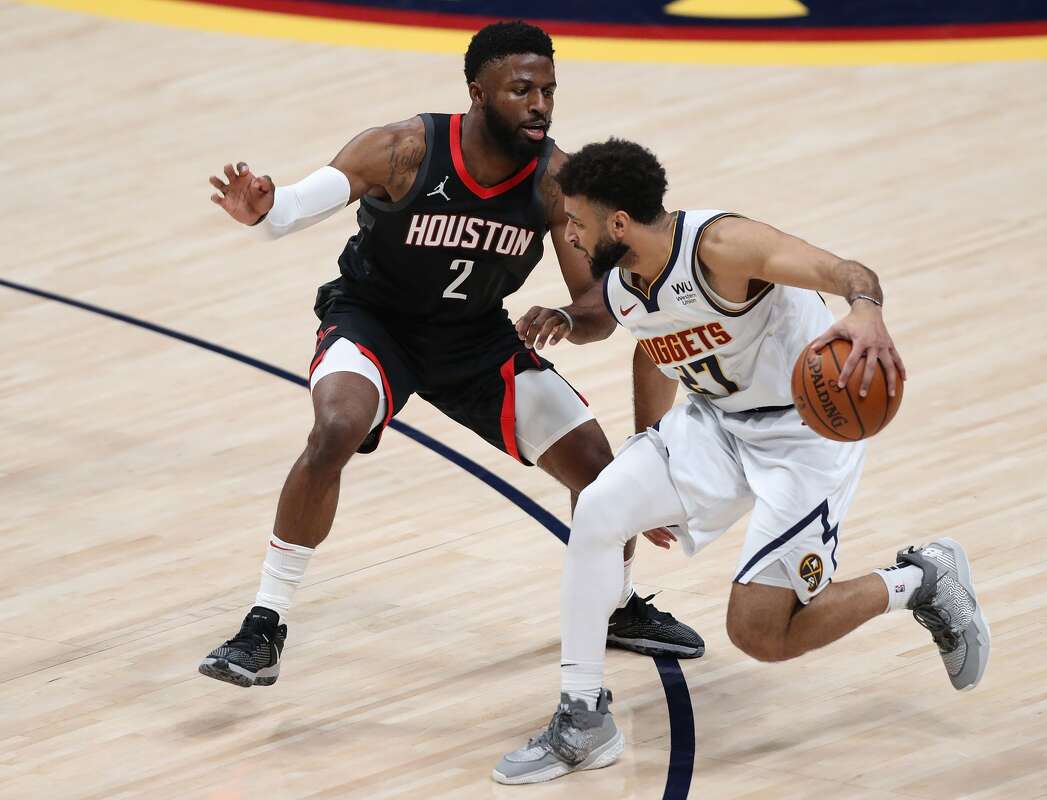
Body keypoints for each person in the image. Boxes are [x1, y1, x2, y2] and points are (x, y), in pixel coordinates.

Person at [198, 23, 703, 690]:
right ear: (478, 92)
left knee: (601, 476)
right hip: (376, 321)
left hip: (475, 339)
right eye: (521, 89)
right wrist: (264, 209)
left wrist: (564, 318)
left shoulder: (556, 180)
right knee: (337, 428)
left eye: (549, 90)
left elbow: (597, 308)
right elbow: (293, 205)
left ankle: (615, 604)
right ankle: (264, 623)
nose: (540, 104)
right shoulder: (402, 149)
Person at [495, 139, 990, 784]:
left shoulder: (719, 248)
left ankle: (920, 581)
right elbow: (652, 349)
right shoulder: (625, 285)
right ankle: (583, 716)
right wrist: (652, 458)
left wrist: (865, 313)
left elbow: (847, 270)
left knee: (762, 634)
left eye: (576, 222)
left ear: (618, 225)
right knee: (600, 509)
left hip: (805, 435)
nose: (568, 233)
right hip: (716, 424)